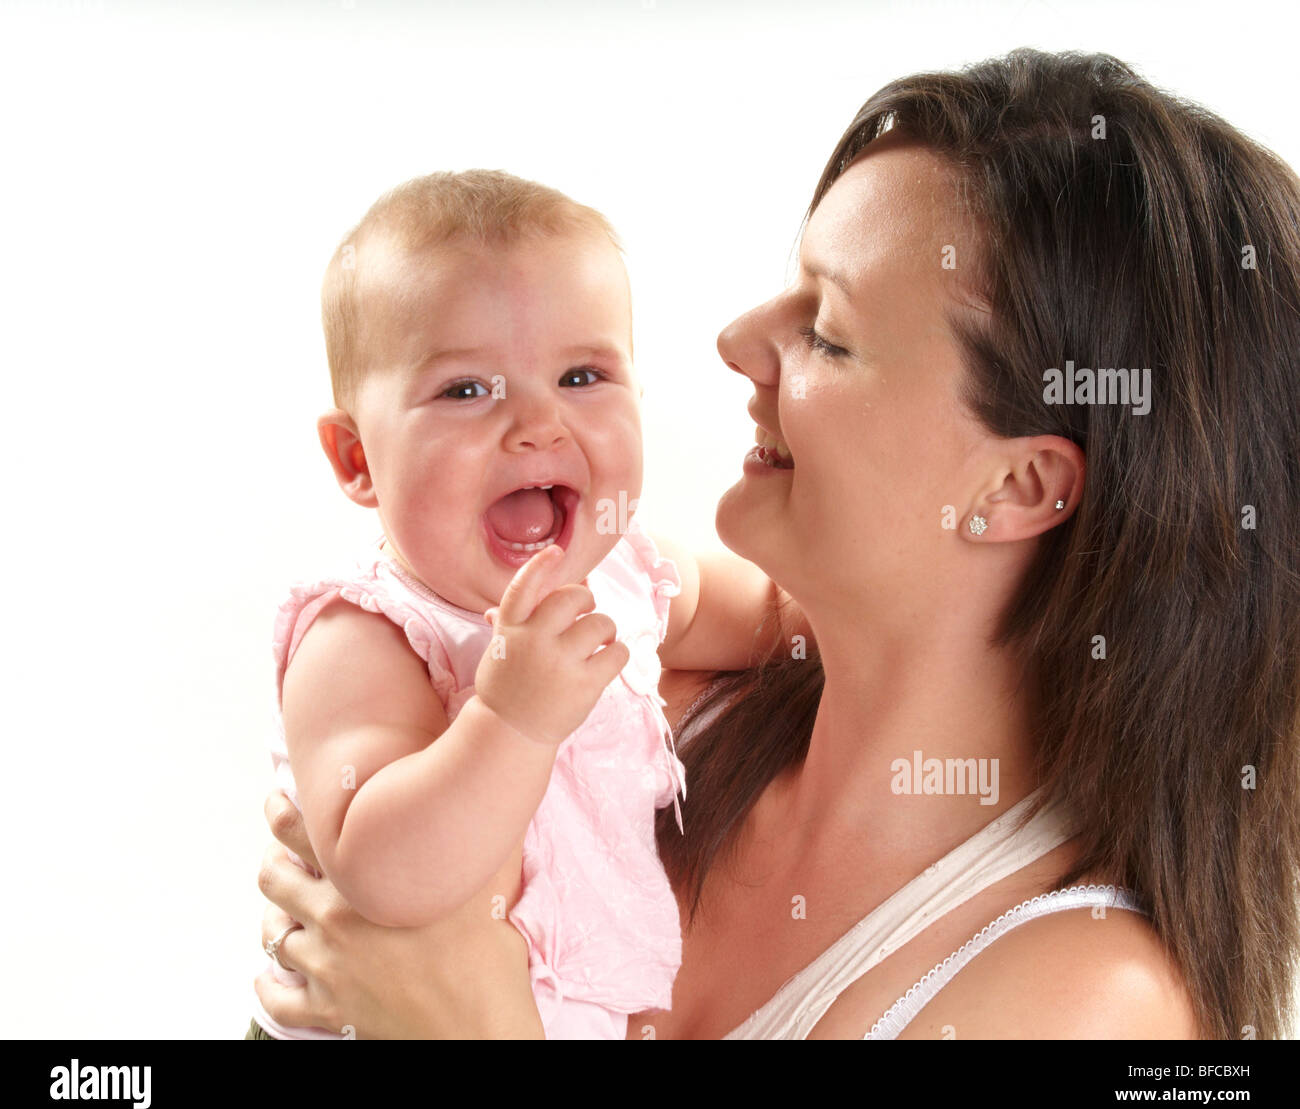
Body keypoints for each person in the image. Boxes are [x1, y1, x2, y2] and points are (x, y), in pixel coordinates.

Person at [254, 49, 1300, 1040]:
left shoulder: (1084, 997)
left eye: (828, 331)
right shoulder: (639, 712)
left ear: (1020, 484)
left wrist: (475, 1024)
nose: (736, 342)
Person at [247, 170, 803, 1040]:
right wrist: (510, 720)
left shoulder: (626, 577)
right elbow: (378, 873)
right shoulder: (369, 634)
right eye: (467, 390)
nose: (537, 424)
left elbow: (782, 618)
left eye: (583, 375)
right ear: (356, 456)